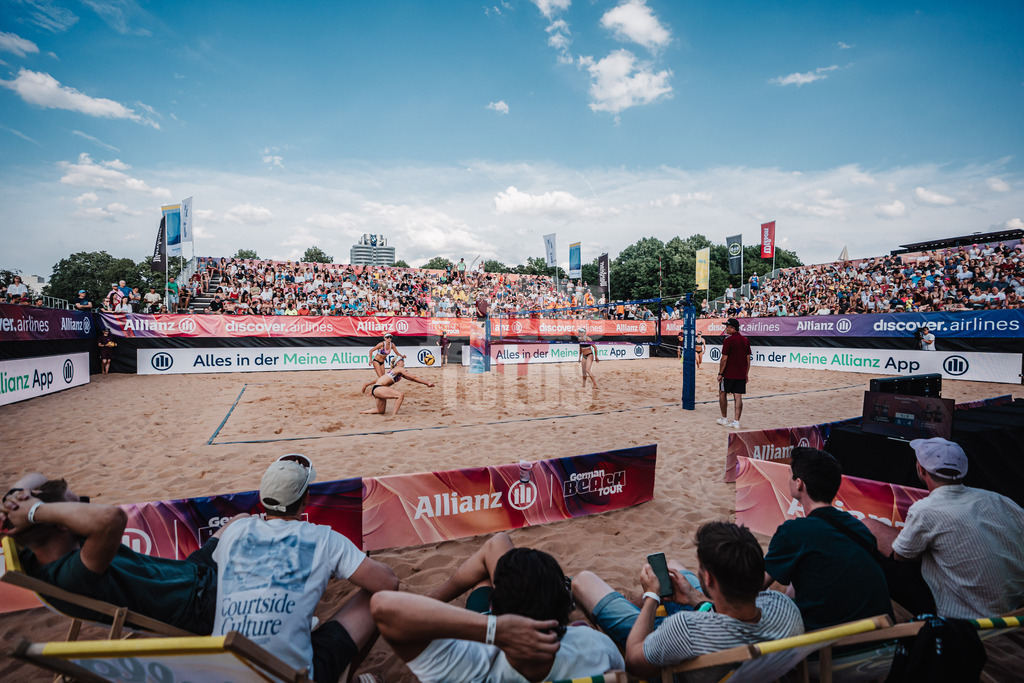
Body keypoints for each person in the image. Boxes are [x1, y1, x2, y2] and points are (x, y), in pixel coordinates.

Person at [212, 454, 398, 682]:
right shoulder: (323, 538)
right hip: (293, 677)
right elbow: (387, 582)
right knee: (381, 597)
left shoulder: (234, 530)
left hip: (224, 673)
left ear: (262, 500)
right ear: (306, 498)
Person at [0, 475, 241, 634]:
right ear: (61, 524)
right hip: (200, 602)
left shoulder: (53, 547)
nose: (87, 507)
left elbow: (37, 477)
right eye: (80, 506)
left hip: (189, 574)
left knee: (242, 521)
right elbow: (111, 519)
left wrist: (13, 499)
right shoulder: (73, 574)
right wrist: (33, 510)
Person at [372, 532, 623, 682]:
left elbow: (383, 605)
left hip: (488, 642)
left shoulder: (468, 664)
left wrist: (495, 630)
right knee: (498, 553)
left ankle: (436, 598)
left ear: (493, 609)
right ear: (566, 606)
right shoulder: (596, 646)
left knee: (487, 569)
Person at [571, 522, 803, 679]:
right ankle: (642, 603)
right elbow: (733, 618)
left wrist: (652, 596)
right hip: (719, 637)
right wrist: (694, 598)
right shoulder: (783, 607)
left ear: (709, 578)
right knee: (672, 567)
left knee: (583, 581)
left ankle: (641, 605)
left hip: (677, 648)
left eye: (701, 568)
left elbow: (634, 660)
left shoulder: (684, 628)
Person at [891, 438, 1024, 619]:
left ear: (921, 470)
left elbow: (901, 556)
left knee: (873, 529)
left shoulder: (925, 510)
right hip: (1015, 612)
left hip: (966, 620)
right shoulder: (999, 499)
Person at [762, 448, 892, 631]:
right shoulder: (857, 527)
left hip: (831, 646)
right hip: (880, 638)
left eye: (790, 475)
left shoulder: (795, 532)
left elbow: (755, 585)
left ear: (799, 484)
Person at [360, 358, 435, 415]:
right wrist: (427, 383)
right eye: (402, 360)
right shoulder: (399, 369)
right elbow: (414, 377)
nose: (404, 361)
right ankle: (394, 416)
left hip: (377, 389)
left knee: (380, 411)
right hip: (379, 388)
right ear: (398, 362)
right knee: (400, 395)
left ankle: (363, 412)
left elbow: (413, 379)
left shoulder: (397, 372)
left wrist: (425, 383)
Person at [716, 318, 751, 428]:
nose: (726, 328)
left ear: (733, 328)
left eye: (727, 327)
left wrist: (720, 373)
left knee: (722, 393)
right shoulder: (745, 340)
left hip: (728, 373)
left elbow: (724, 359)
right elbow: (748, 359)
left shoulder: (728, 340)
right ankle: (736, 421)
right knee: (738, 396)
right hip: (741, 373)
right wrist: (746, 373)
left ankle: (724, 418)